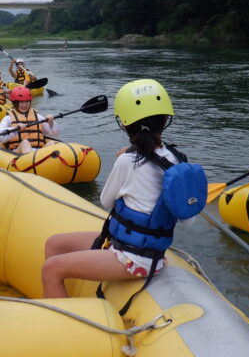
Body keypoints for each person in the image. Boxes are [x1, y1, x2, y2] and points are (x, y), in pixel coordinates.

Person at [41, 79, 206, 305]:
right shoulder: (178, 160)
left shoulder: (127, 162)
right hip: (142, 250)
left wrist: (123, 160)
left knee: (51, 268)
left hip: (133, 259)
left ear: (125, 124)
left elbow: (106, 200)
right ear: (166, 119)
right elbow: (188, 220)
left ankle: (61, 329)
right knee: (54, 243)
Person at [0, 85, 58, 153]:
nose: (25, 105)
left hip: (38, 152)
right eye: (21, 102)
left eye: (27, 101)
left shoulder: (37, 116)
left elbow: (53, 134)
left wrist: (51, 122)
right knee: (25, 143)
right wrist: (16, 129)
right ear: (15, 103)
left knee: (51, 143)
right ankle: (30, 160)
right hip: (19, 152)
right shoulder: (8, 118)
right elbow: (0, 135)